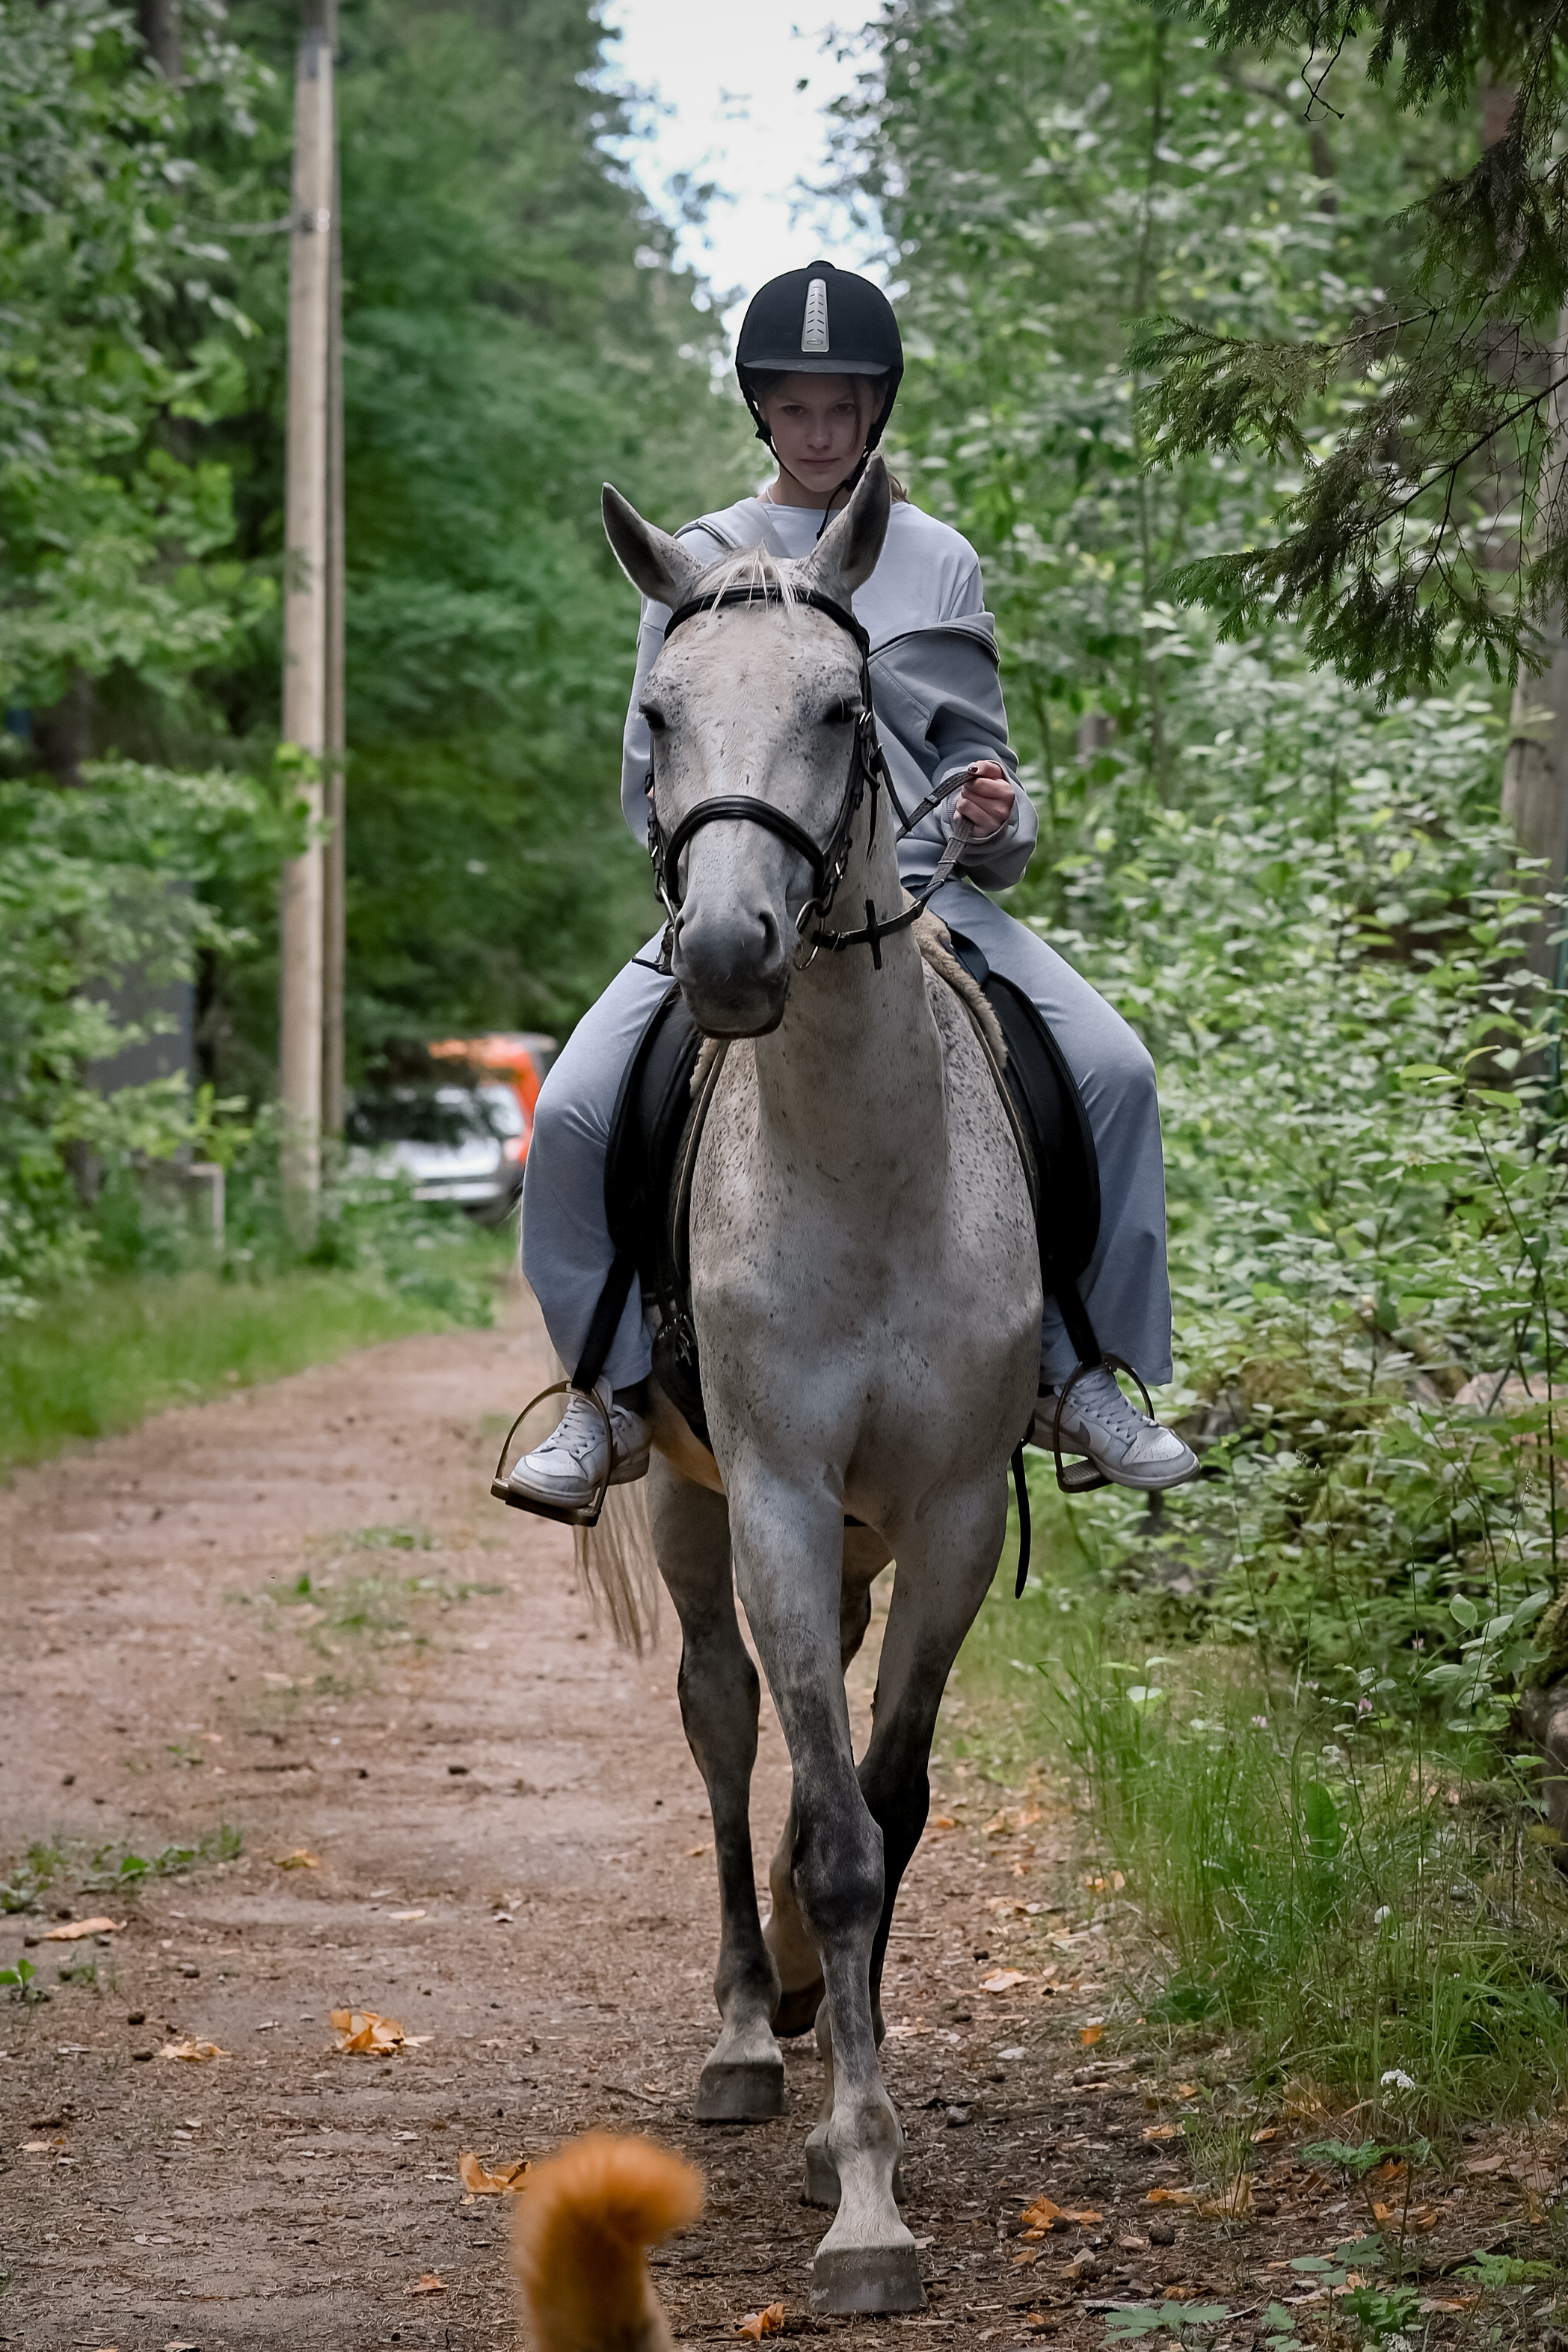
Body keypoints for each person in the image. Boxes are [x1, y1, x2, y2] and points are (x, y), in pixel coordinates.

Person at [510, 260, 1196, 1517]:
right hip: (739, 900)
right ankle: (603, 1398)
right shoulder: (699, 559)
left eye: (841, 408)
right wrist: (720, 882)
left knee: (1114, 1073)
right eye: (793, 408)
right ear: (759, 411)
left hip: (932, 903)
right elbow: (646, 780)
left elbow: (983, 775)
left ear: (876, 411)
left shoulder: (936, 562)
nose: (818, 433)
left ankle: (1077, 1373)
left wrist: (997, 816)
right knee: (568, 1111)